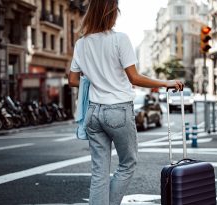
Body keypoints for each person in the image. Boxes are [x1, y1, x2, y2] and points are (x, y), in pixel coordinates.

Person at [67, 1, 184, 205]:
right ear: (112, 13)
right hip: (118, 111)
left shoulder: (81, 43)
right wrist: (166, 83)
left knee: (99, 173)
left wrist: (96, 78)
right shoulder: (120, 39)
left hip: (93, 113)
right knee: (127, 163)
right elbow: (134, 78)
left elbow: (73, 80)